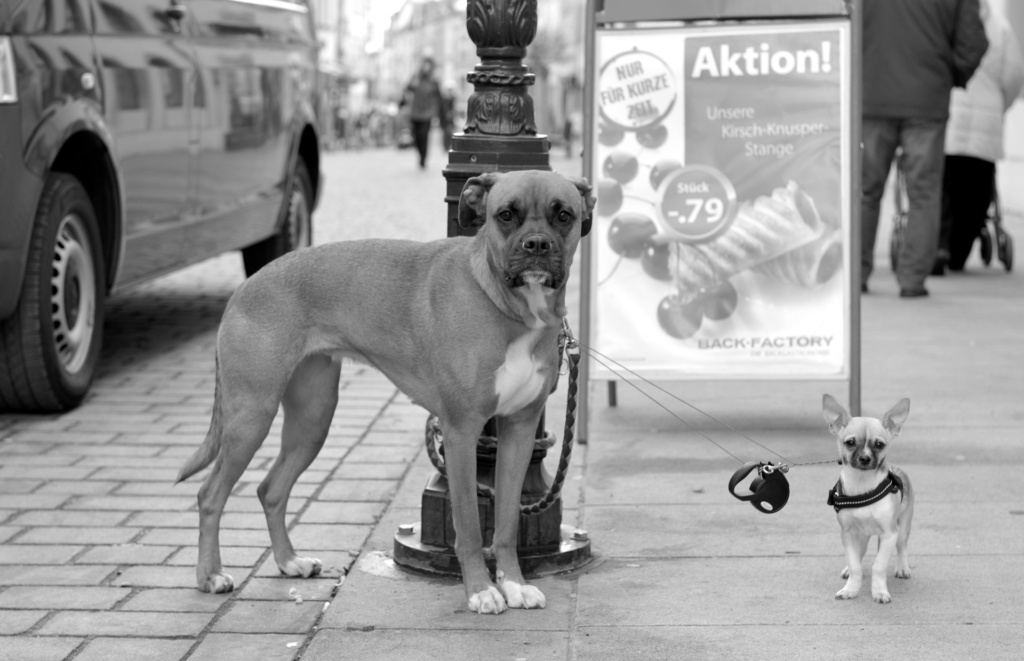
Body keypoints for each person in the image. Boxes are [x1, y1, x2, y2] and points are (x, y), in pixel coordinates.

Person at [860, 0, 988, 298]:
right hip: (927, 100)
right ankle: (912, 280)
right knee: (924, 194)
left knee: (864, 191)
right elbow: (973, 42)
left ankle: (856, 274)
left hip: (871, 95)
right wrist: (947, 76)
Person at [938, 0, 1024, 273]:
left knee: (943, 189)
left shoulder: (944, 19)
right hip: (985, 129)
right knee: (976, 195)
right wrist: (998, 106)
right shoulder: (1001, 27)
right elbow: (1014, 76)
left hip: (948, 120)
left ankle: (941, 246)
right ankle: (959, 251)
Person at [401, 56, 444, 169]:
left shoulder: (434, 81)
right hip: (415, 112)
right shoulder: (416, 78)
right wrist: (403, 102)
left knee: (423, 135)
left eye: (428, 65)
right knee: (416, 136)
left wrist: (438, 113)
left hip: (427, 113)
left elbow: (439, 98)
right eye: (424, 64)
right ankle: (420, 154)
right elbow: (407, 90)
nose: (426, 67)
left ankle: (423, 159)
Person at [440, 81, 457, 153]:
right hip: (444, 119)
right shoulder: (443, 99)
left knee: (449, 132)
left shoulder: (452, 98)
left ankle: (448, 145)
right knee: (446, 132)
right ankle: (446, 146)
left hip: (450, 119)